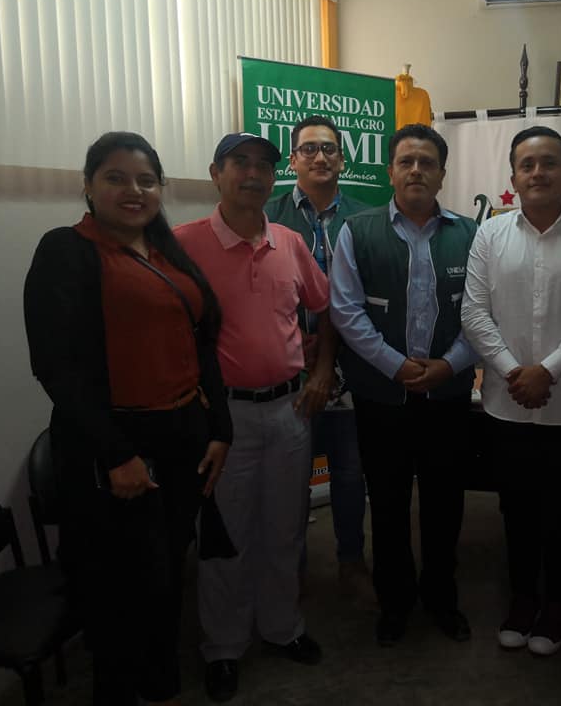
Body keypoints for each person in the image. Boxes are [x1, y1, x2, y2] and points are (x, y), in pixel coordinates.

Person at [24, 132, 232, 706]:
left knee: (165, 576)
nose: (133, 191)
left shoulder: (166, 250)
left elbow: (202, 344)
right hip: (113, 446)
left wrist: (220, 430)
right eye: (115, 178)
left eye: (146, 180)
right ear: (88, 186)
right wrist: (116, 454)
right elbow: (55, 367)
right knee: (116, 588)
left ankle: (159, 684)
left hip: (183, 438)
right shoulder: (66, 250)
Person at [176, 133, 331, 703]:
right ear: (215, 173)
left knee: (285, 529)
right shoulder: (182, 245)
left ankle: (282, 627)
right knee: (226, 536)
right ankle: (222, 646)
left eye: (264, 165)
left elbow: (325, 309)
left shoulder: (290, 242)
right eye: (239, 162)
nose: (253, 173)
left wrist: (321, 372)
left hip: (290, 410)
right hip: (224, 420)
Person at [462, 126, 561, 656]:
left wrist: (547, 371)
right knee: (516, 510)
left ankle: (556, 605)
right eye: (527, 165)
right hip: (506, 404)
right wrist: (516, 372)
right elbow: (474, 314)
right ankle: (522, 598)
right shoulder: (490, 234)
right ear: (513, 177)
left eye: (549, 163)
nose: (538, 173)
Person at [329, 123, 477, 647]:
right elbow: (346, 311)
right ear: (390, 171)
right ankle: (394, 602)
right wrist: (395, 366)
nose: (416, 170)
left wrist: (450, 365)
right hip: (382, 397)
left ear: (442, 174)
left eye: (427, 162)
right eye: (406, 161)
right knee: (388, 505)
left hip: (448, 396)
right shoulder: (357, 230)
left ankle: (441, 599)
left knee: (445, 504)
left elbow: (482, 314)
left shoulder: (470, 234)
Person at [265, 116, 374, 601]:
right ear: (292, 160)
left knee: (350, 474)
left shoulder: (366, 218)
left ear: (342, 160)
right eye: (308, 149)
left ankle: (351, 561)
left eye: (329, 148)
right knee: (290, 480)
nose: (320, 157)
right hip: (288, 368)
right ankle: (292, 569)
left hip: (352, 369)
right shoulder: (266, 216)